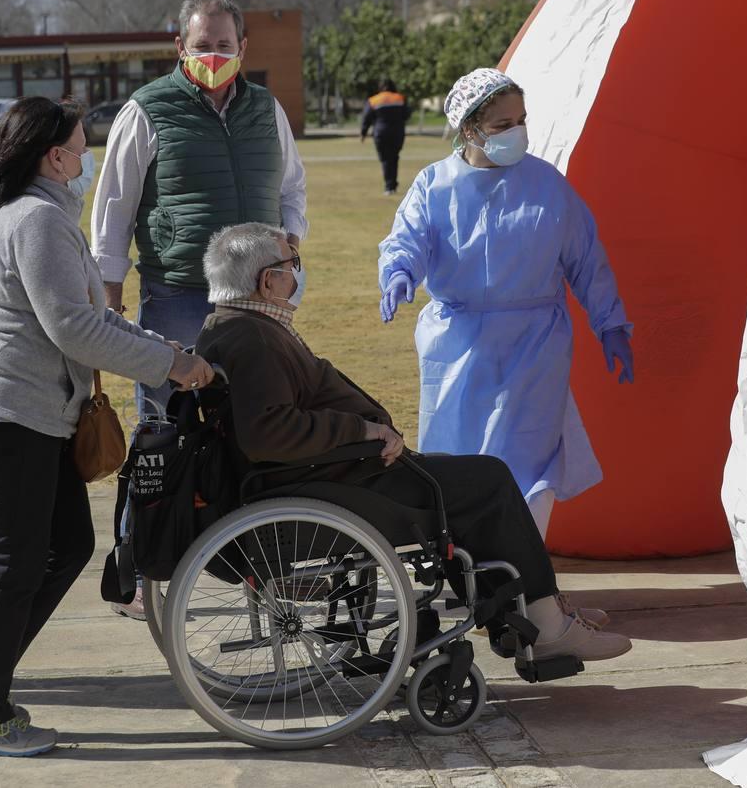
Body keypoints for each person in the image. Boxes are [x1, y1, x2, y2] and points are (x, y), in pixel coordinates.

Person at [194, 222, 631, 661]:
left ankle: (524, 612)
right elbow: (269, 431)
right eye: (292, 264)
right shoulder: (254, 339)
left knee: (465, 478)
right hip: (327, 484)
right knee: (488, 480)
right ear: (268, 282)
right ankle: (547, 624)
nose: (297, 273)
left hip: (323, 476)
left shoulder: (233, 324)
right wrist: (363, 431)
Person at [0, 97, 213, 757]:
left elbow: (94, 318)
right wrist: (171, 363)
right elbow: (75, 329)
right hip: (10, 418)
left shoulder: (51, 215)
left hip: (34, 416)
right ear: (52, 157)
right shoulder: (37, 221)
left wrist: (170, 358)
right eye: (82, 146)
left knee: (66, 545)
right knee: (14, 563)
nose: (89, 158)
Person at [92, 0, 308, 618]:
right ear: (180, 48)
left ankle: (264, 570)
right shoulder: (147, 110)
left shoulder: (267, 110)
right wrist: (112, 307)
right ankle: (137, 571)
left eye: (224, 44)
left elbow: (292, 188)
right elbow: (113, 211)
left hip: (260, 303)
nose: (213, 54)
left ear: (244, 48)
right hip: (179, 298)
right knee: (166, 434)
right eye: (202, 44)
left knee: (266, 432)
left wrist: (291, 245)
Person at [377, 68, 635, 543]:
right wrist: (398, 273)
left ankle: (526, 581)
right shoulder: (434, 186)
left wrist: (610, 321)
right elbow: (407, 239)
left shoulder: (546, 185)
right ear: (468, 128)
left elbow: (584, 257)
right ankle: (470, 575)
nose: (516, 132)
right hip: (458, 348)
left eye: (521, 119)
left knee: (530, 462)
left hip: (536, 344)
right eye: (501, 125)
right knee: (459, 458)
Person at [360, 78, 412, 196]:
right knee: (394, 158)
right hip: (397, 133)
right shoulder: (400, 98)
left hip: (381, 133)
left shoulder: (374, 100)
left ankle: (389, 186)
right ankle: (392, 184)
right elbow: (407, 114)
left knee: (385, 160)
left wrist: (363, 133)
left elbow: (366, 117)